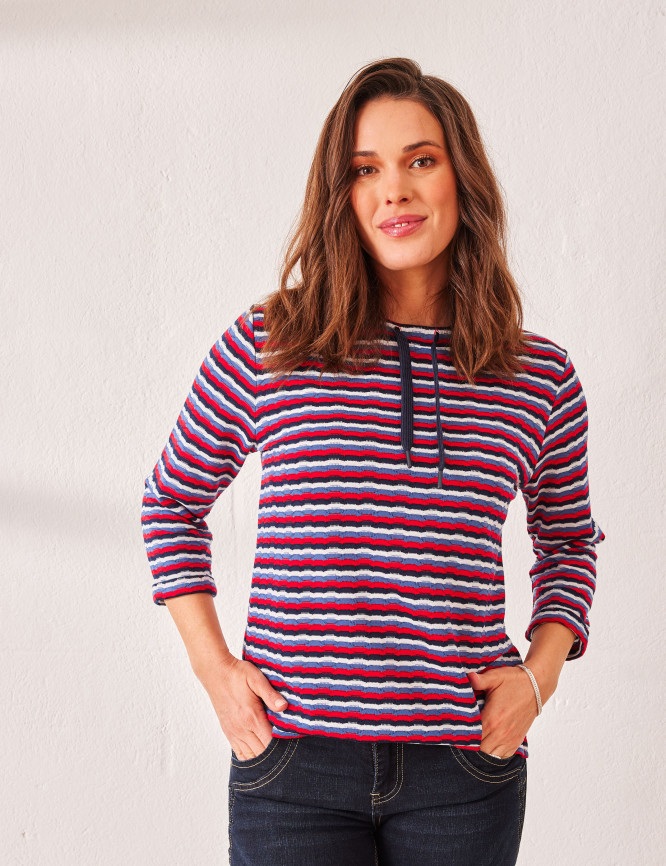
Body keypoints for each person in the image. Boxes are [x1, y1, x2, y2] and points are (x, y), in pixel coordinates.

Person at [141, 57, 605, 866]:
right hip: (293, 761)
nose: (394, 191)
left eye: (420, 160)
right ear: (342, 195)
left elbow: (569, 542)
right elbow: (170, 504)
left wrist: (539, 679)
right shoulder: (272, 343)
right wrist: (214, 669)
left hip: (464, 765)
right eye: (365, 170)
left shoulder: (539, 376)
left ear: (463, 178)